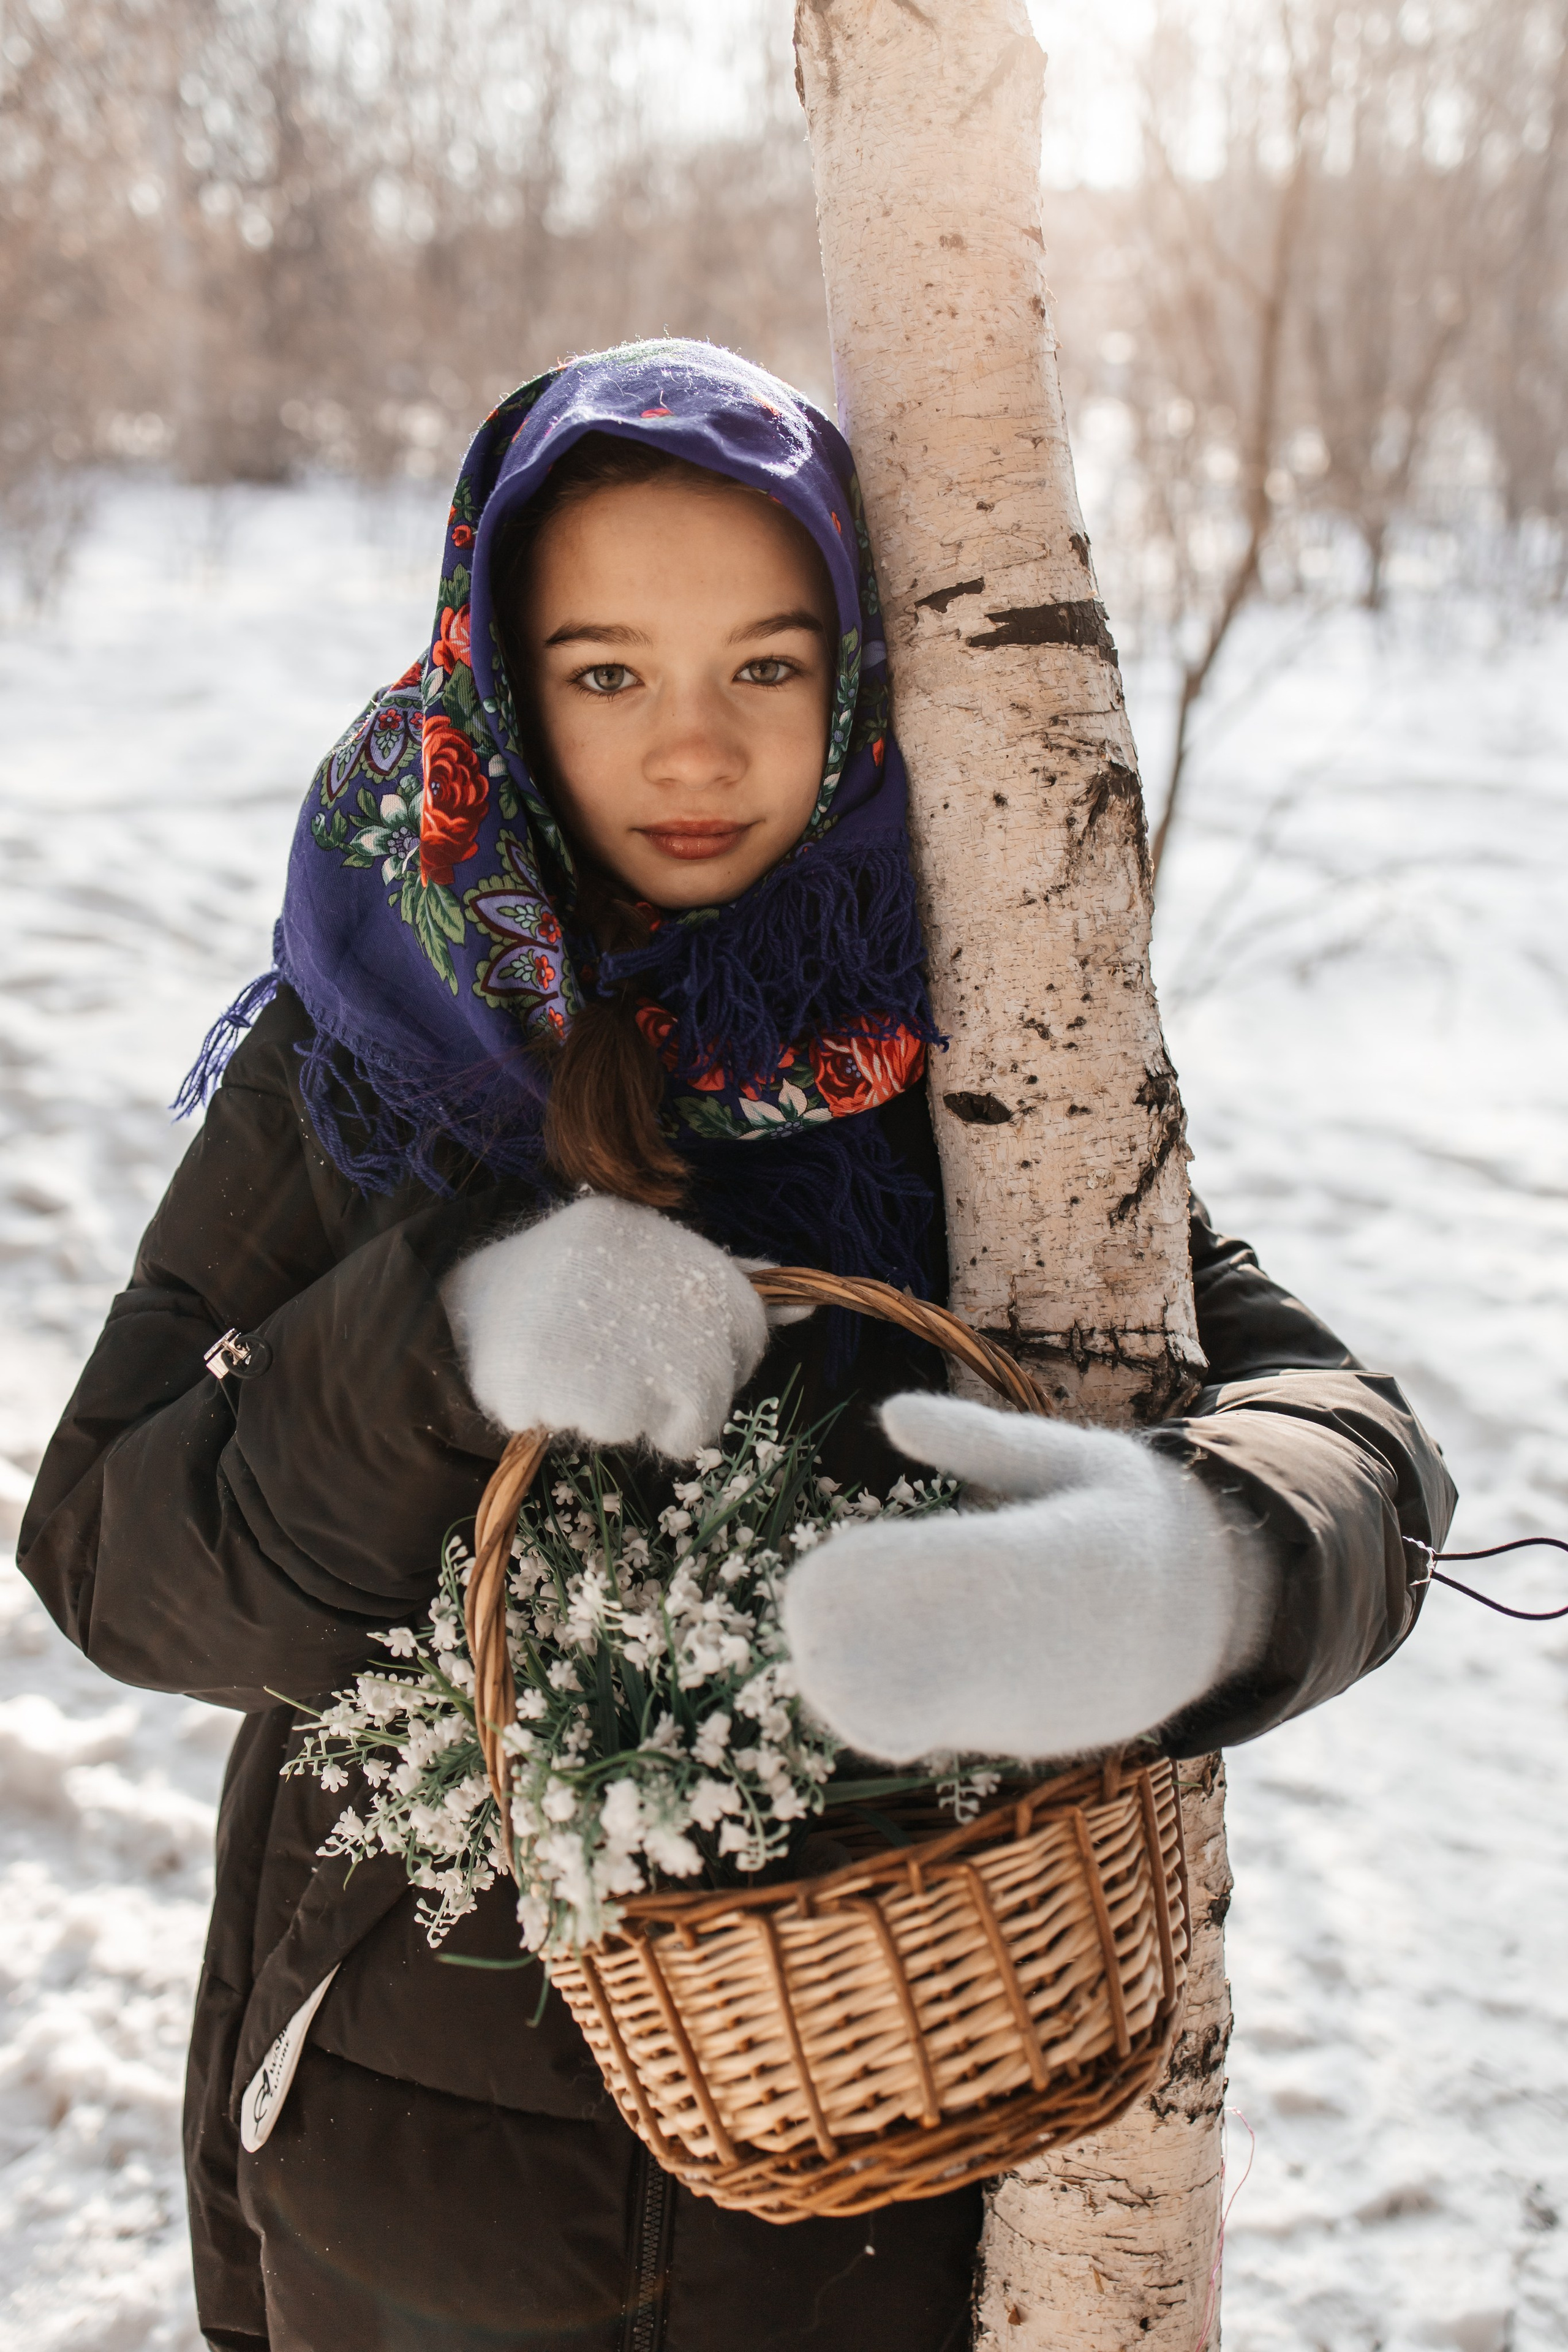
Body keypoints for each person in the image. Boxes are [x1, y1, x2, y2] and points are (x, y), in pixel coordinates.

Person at [20, 339, 1454, 2352]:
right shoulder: (375, 1045)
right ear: (505, 686)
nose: (693, 751)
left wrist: (1193, 1573)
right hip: (403, 2197)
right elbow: (112, 1563)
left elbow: (1357, 1439)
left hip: (880, 2193)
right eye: (608, 674)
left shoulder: (985, 1064)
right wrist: (445, 1339)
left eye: (767, 668)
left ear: (859, 678)